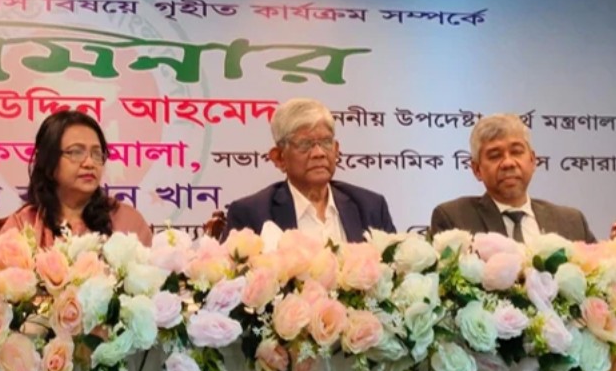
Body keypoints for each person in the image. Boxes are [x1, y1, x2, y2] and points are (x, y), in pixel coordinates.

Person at [223, 98, 396, 243]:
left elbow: (394, 270)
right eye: (305, 144)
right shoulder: (252, 214)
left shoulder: (371, 207)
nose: (319, 153)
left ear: (336, 149)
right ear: (279, 157)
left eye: (326, 142)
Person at [430, 113, 594, 242]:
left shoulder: (571, 222)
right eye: (495, 155)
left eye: (516, 152)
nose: (508, 163)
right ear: (477, 169)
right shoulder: (455, 218)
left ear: (532, 160)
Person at [0, 110, 153, 247]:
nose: (89, 163)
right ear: (48, 160)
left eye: (97, 154)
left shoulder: (128, 222)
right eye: (76, 152)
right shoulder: (22, 226)